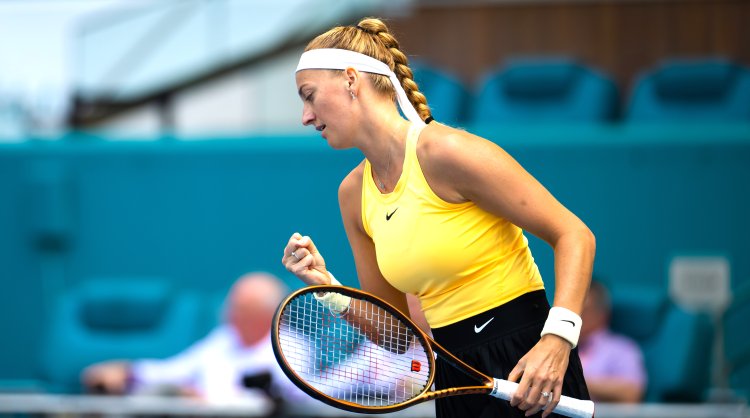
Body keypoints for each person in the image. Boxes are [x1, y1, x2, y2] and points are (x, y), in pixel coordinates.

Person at [282, 17, 595, 418]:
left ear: (350, 79)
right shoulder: (352, 194)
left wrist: (557, 341)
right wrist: (328, 287)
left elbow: (574, 235)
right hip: (454, 377)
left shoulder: (448, 152)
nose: (305, 117)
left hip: (528, 360)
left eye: (309, 96)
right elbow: (397, 334)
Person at [81, 272, 306, 405]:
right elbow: (174, 370)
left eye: (240, 309)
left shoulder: (294, 348)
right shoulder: (224, 339)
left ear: (266, 315)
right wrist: (128, 373)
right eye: (231, 307)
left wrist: (203, 400)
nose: (228, 314)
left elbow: (282, 402)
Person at [578, 280, 647, 403]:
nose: (576, 316)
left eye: (583, 310)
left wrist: (572, 382)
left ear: (603, 314)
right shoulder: (555, 346)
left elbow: (631, 393)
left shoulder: (621, 349)